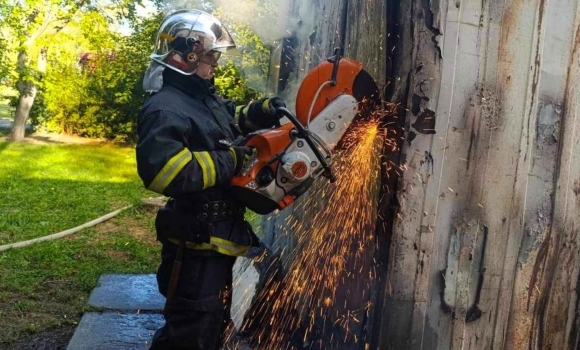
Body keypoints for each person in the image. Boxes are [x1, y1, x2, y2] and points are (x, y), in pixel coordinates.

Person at [136, 9, 286, 349]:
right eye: (209, 57)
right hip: (197, 241)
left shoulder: (200, 97)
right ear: (184, 56)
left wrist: (259, 111)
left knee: (225, 315)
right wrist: (230, 160)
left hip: (222, 231)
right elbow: (164, 172)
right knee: (192, 333)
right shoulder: (166, 107)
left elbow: (225, 122)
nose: (214, 65)